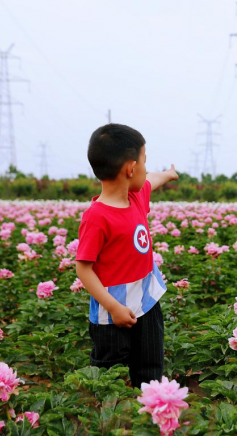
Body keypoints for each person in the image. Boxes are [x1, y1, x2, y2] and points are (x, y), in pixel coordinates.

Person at [75, 123, 178, 390]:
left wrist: (168, 174)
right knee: (109, 377)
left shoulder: (136, 197)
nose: (147, 168)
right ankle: (109, 427)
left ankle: (149, 421)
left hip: (147, 301)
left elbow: (152, 180)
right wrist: (113, 307)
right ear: (131, 169)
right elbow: (84, 269)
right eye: (145, 161)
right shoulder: (97, 216)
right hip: (113, 314)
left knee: (150, 368)